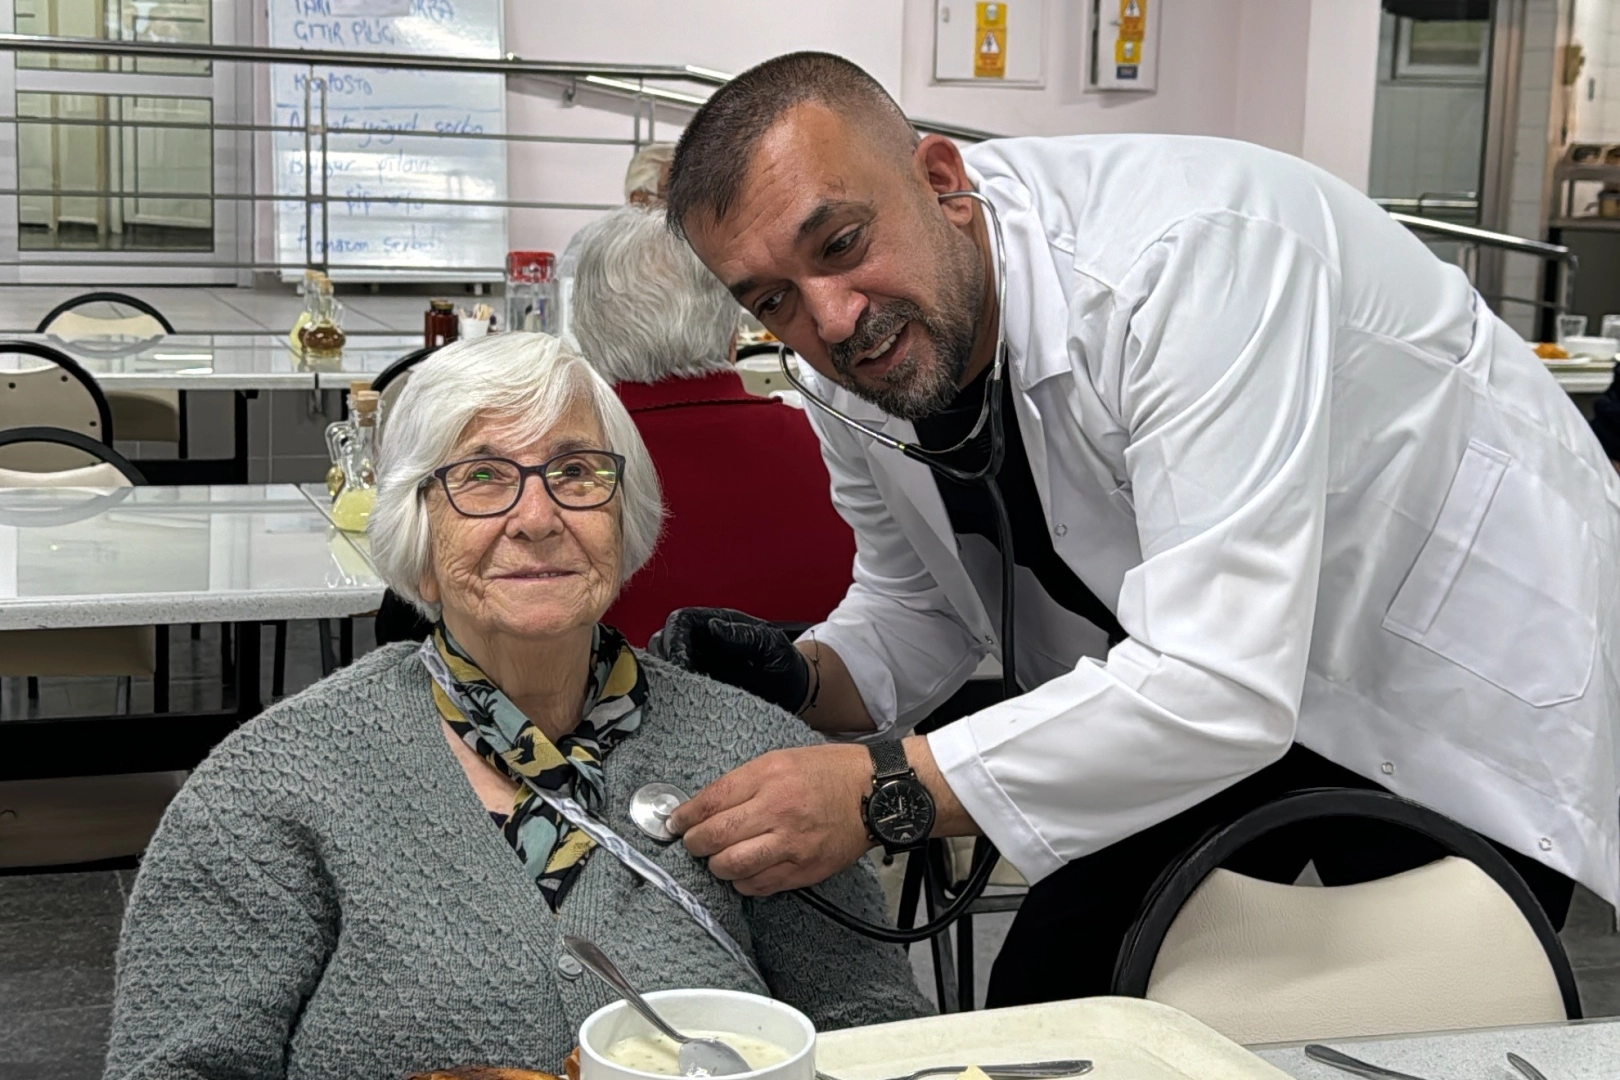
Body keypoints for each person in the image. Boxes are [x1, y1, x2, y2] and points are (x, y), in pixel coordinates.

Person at [648, 51, 1620, 1006]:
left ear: (941, 180)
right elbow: (920, 609)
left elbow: (1218, 681)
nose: (831, 316)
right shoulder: (848, 374)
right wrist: (803, 676)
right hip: (1202, 681)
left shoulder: (1183, 256)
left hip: (1434, 659)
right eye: (772, 300)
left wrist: (882, 792)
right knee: (1055, 994)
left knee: (1437, 1012)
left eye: (843, 243)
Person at [102, 333, 928, 1079]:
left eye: (576, 472)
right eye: (481, 478)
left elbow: (875, 1034)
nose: (537, 518)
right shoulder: (271, 789)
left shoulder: (755, 752)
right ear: (418, 539)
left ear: (623, 513)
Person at [569, 203, 856, 645]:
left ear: (584, 334)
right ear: (732, 332)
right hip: (825, 710)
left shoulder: (547, 488)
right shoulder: (841, 454)